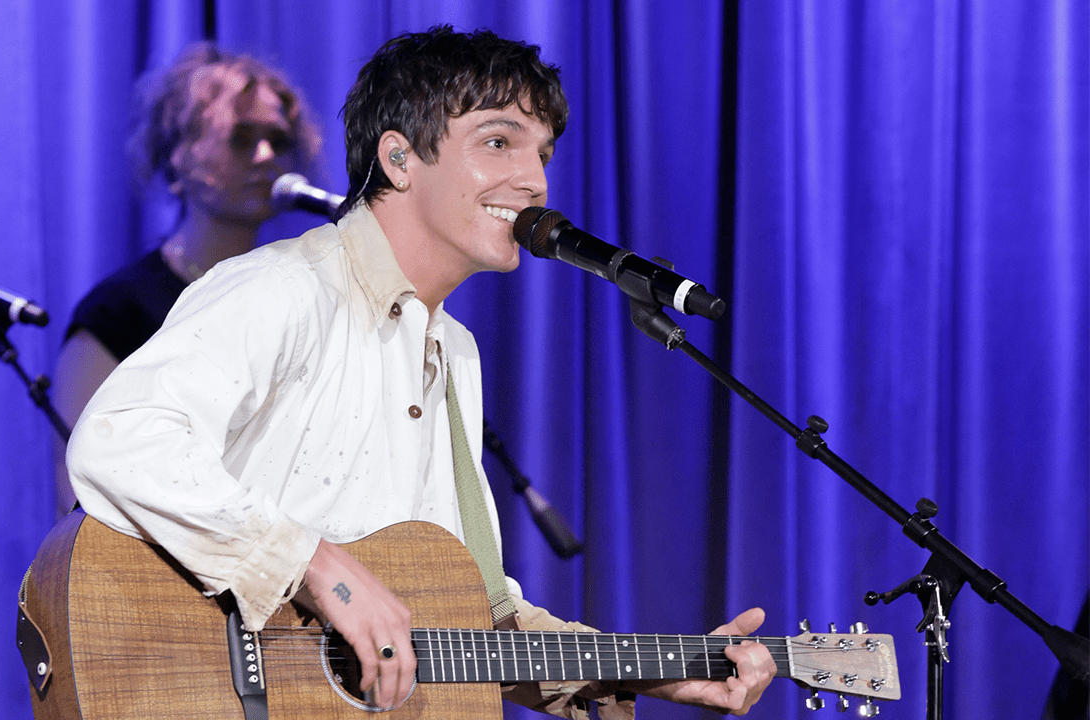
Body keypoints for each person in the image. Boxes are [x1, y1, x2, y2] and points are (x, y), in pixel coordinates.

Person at [67, 27, 775, 718]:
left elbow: (473, 627)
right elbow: (119, 438)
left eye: (543, 153)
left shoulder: (453, 353)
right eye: (499, 141)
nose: (533, 180)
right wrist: (323, 571)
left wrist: (655, 673)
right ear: (400, 159)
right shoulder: (281, 289)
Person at [51, 42, 322, 514]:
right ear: (179, 155)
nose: (265, 156)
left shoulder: (303, 303)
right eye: (240, 137)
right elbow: (75, 496)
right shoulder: (118, 312)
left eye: (278, 141)